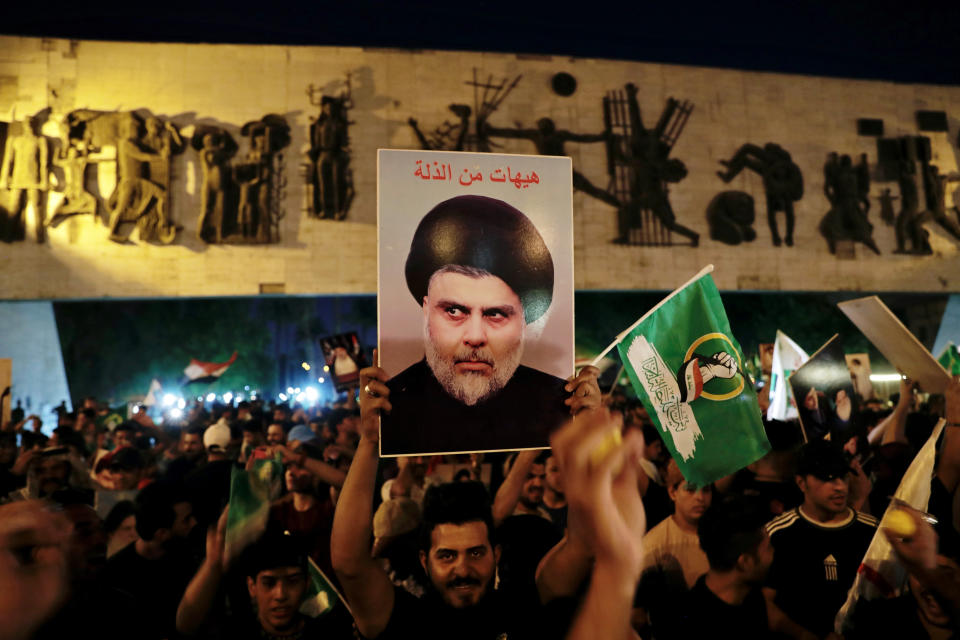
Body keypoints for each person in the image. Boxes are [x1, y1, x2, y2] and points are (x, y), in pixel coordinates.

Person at [331, 357, 600, 639]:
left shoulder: (524, 610)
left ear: (495, 554)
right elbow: (348, 564)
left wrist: (586, 431)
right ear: (424, 561)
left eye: (475, 552)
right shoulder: (405, 621)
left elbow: (581, 545)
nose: (462, 569)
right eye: (446, 556)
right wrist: (371, 442)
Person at [382, 195, 573, 455]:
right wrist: (370, 442)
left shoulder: (559, 405)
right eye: (454, 311)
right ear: (426, 311)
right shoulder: (390, 408)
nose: (474, 337)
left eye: (495, 314)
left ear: (523, 322)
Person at [763, 439, 877, 638]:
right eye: (828, 478)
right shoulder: (780, 534)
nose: (840, 487)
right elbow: (764, 603)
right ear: (801, 483)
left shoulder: (872, 531)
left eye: (843, 477)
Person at [661, 496, 775, 639]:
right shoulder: (693, 626)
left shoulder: (751, 596)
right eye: (768, 548)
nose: (773, 554)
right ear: (745, 562)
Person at [101, 481, 198, 640]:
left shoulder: (192, 557)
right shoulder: (116, 574)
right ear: (161, 534)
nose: (194, 523)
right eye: (186, 520)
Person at [633, 460, 712, 637]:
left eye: (706, 489)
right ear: (672, 492)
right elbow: (637, 615)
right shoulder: (654, 545)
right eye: (690, 489)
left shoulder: (721, 534)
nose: (700, 497)